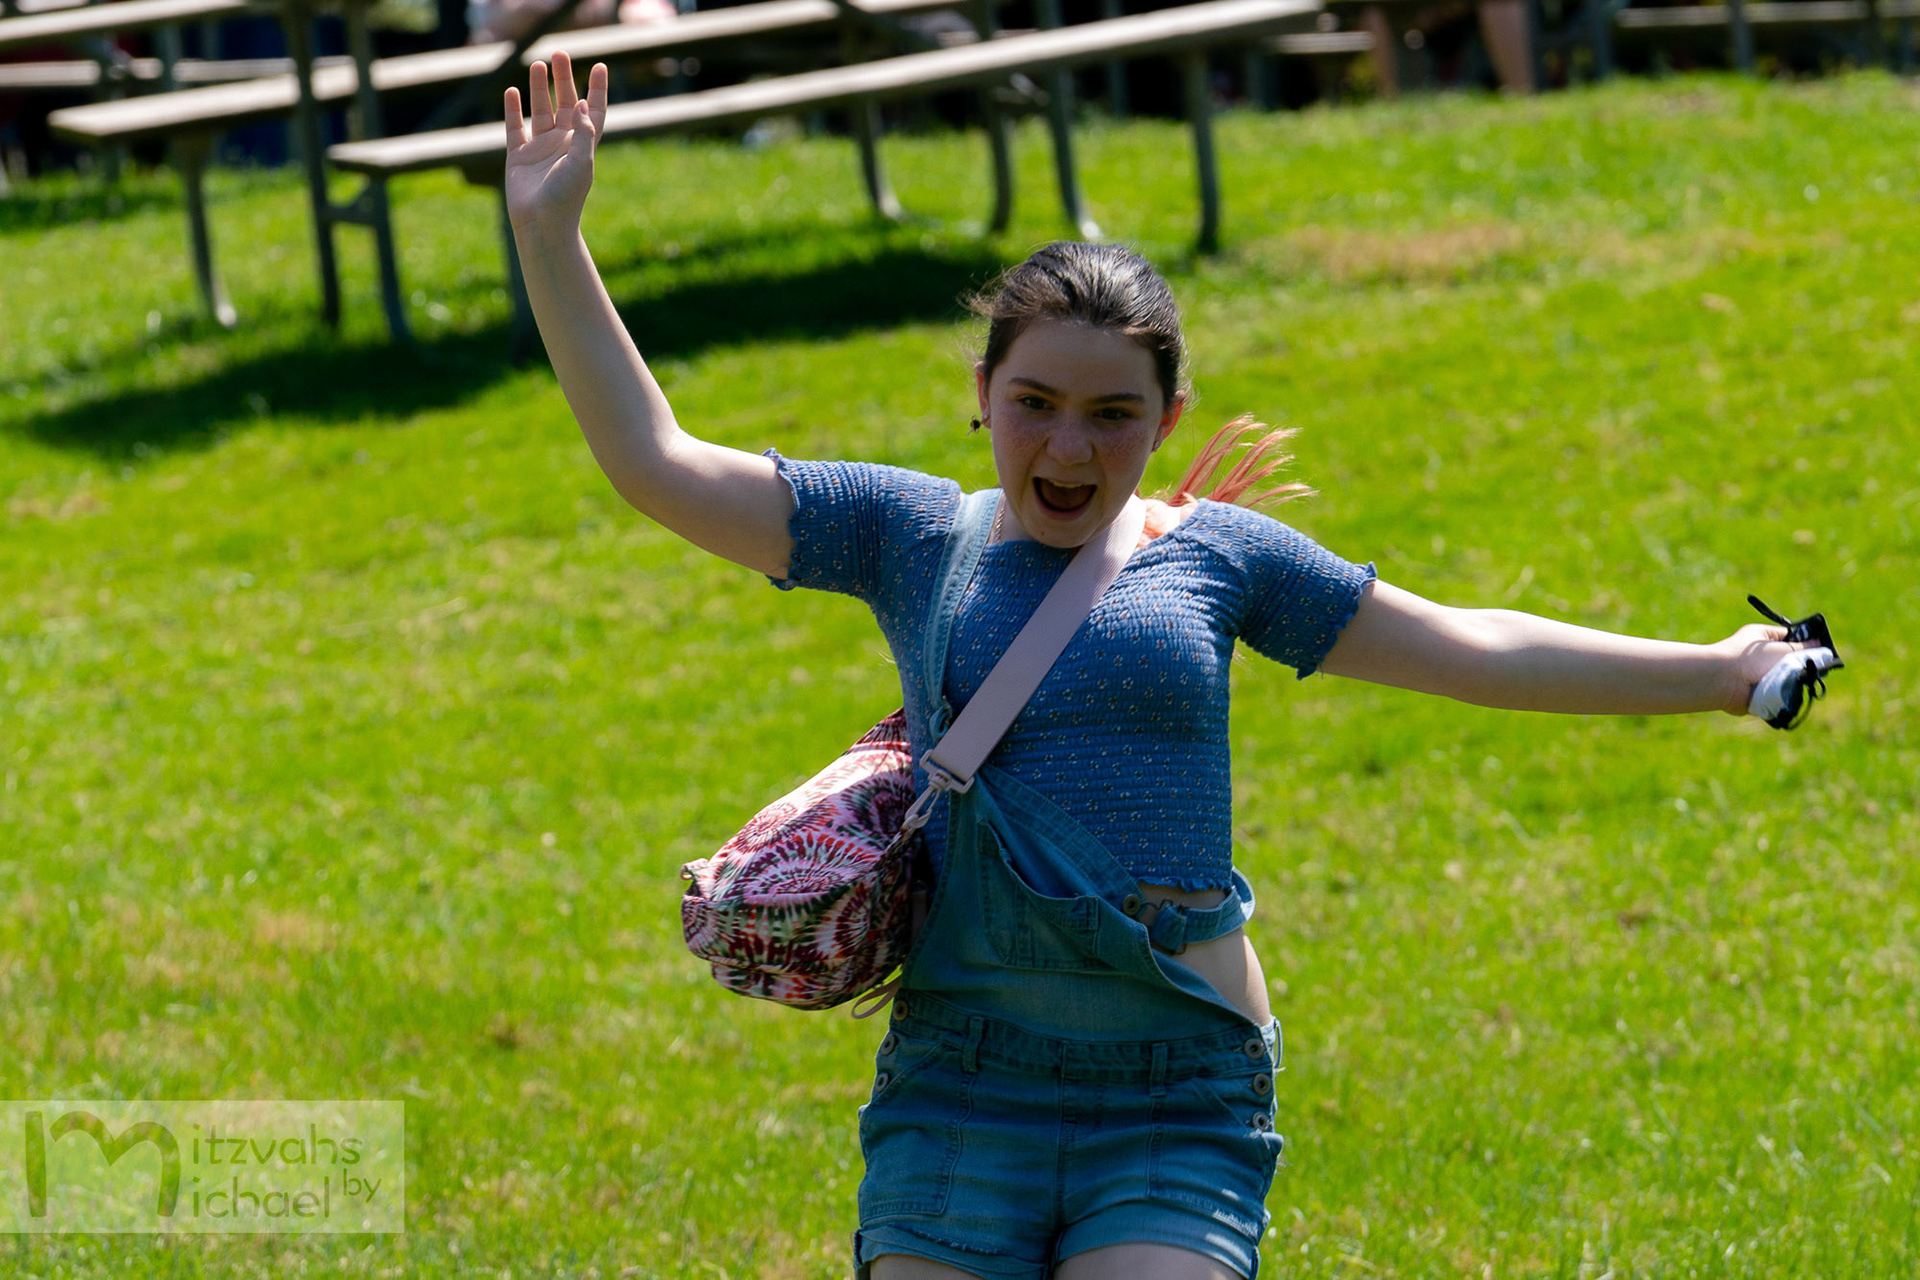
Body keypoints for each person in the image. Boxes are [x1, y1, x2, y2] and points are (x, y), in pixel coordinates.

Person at [502, 52, 1825, 1280]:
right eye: (1036, 405)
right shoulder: (909, 534)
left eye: (1112, 415)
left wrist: (1711, 671)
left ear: (1168, 419)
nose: (1069, 450)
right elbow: (657, 464)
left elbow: (1468, 644)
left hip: (1177, 1086)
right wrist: (551, 245)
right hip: (963, 1079)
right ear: (983, 391)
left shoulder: (1222, 559)